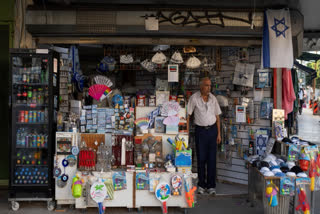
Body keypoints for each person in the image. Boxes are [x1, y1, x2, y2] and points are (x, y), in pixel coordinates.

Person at [187, 77, 222, 195]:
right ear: (201, 86)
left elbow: (217, 117)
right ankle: (201, 185)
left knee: (212, 159)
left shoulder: (213, 99)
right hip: (200, 131)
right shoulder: (194, 98)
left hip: (212, 131)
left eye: (210, 85)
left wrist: (219, 134)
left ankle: (211, 186)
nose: (209, 88)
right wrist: (186, 132)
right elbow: (188, 116)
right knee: (201, 159)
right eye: (207, 85)